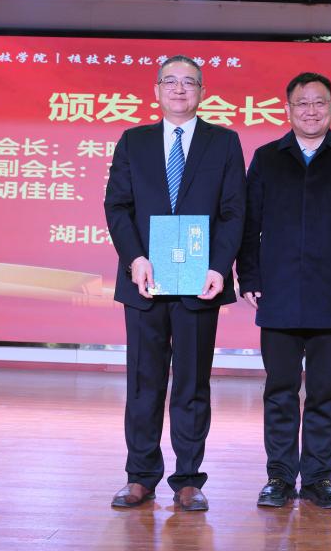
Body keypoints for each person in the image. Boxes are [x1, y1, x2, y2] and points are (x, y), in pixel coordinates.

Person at [104, 55, 246, 512]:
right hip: (145, 281)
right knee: (143, 383)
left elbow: (234, 212)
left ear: (202, 91)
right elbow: (117, 206)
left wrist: (219, 266)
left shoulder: (224, 142)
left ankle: (188, 479)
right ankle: (140, 475)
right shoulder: (134, 141)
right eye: (171, 81)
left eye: (189, 82)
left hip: (198, 282)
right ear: (157, 90)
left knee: (192, 383)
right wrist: (135, 258)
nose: (179, 89)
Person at [237, 72, 331, 510]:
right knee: (279, 391)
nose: (311, 111)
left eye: (320, 103)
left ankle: (319, 478)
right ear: (288, 109)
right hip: (278, 292)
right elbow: (249, 224)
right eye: (302, 103)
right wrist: (250, 277)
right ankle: (280, 477)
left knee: (324, 392)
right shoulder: (267, 158)